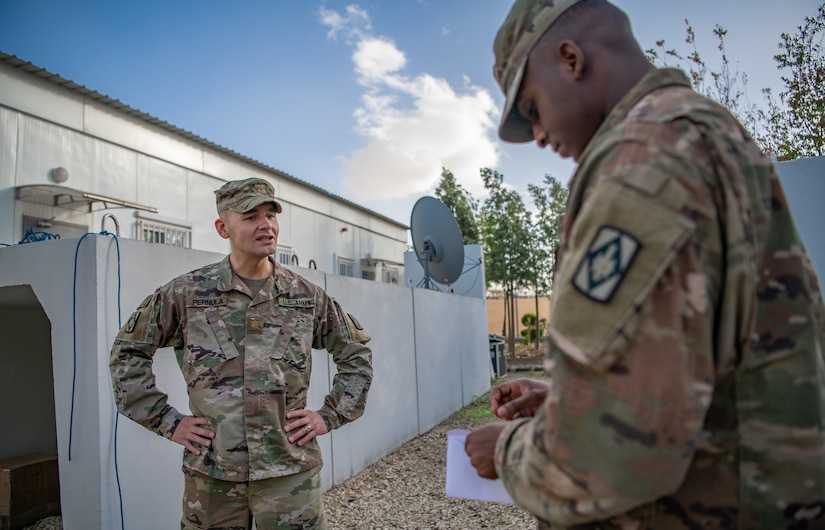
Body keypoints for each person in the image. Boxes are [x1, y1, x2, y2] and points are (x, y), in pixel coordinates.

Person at [464, 0, 825, 528]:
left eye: (533, 108)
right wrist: (569, 397)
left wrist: (506, 450)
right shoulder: (706, 133)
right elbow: (703, 367)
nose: (538, 135)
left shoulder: (642, 165)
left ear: (570, 59)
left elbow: (615, 455)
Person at [110, 177, 373, 529]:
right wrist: (166, 421)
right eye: (250, 217)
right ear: (223, 227)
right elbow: (128, 351)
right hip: (213, 477)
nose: (265, 224)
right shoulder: (186, 294)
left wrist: (329, 415)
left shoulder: (306, 296)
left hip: (289, 474)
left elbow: (355, 353)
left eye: (270, 215)